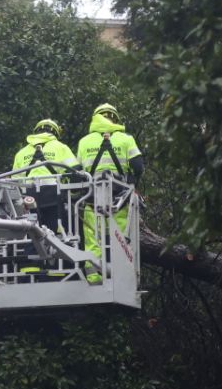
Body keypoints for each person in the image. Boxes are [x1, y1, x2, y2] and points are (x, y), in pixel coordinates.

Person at [75, 103, 143, 285]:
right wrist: (134, 183)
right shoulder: (126, 139)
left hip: (91, 197)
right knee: (120, 236)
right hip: (119, 196)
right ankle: (121, 276)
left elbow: (76, 171)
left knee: (92, 237)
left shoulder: (84, 142)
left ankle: (94, 276)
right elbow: (138, 167)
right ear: (115, 118)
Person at [11, 119, 78, 274]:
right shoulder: (61, 148)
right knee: (56, 229)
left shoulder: (22, 153)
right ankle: (57, 268)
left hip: (30, 196)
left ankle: (30, 266)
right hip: (53, 195)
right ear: (54, 132)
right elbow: (76, 171)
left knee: (32, 229)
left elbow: (14, 181)